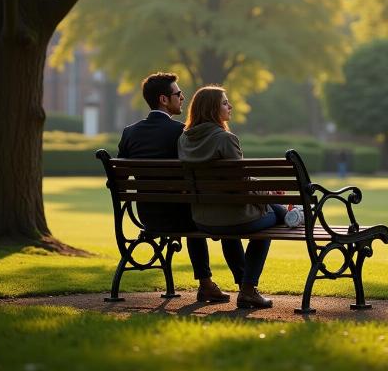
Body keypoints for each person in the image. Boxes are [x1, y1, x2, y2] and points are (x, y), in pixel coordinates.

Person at [117, 72, 230, 304]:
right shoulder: (181, 132)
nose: (182, 97)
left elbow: (117, 179)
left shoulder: (130, 132)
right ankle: (214, 284)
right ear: (164, 99)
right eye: (178, 94)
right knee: (201, 213)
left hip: (146, 216)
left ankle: (208, 284)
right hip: (183, 217)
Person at [178, 86, 286, 309]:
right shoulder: (226, 139)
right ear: (212, 109)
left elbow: (237, 184)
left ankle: (244, 284)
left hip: (202, 220)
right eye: (225, 103)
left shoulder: (184, 140)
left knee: (268, 210)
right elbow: (243, 187)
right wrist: (266, 193)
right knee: (271, 221)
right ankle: (248, 289)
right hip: (234, 218)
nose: (230, 106)